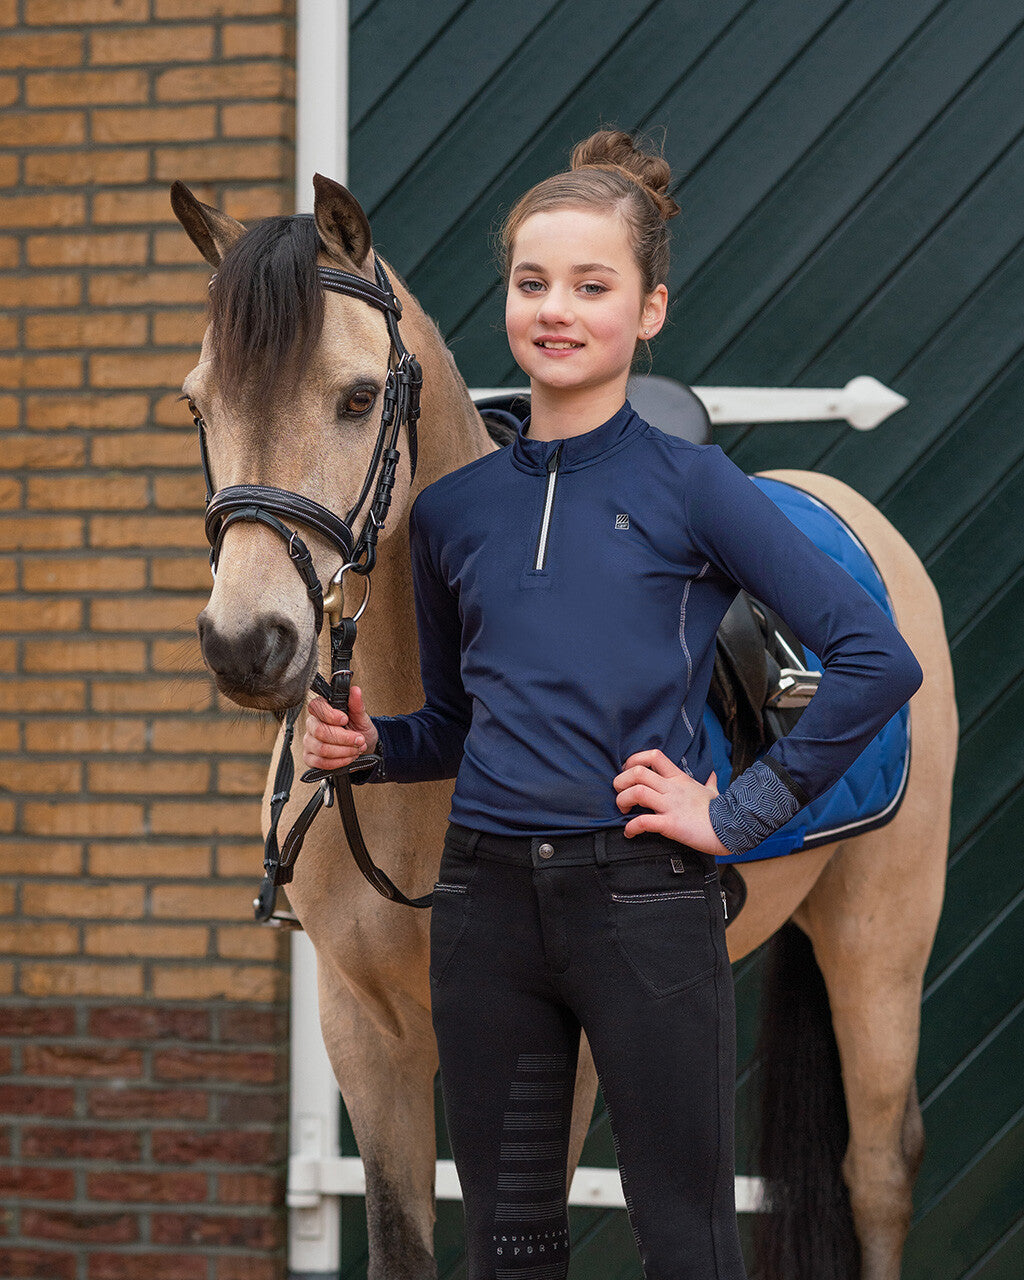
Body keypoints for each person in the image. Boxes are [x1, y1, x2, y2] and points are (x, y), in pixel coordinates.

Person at [302, 130, 923, 1280]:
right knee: (508, 1243)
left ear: (648, 312)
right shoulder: (452, 514)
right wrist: (372, 745)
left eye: (592, 286)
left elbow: (875, 660)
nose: (555, 309)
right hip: (484, 908)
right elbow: (457, 721)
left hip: (643, 906)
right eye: (531, 282)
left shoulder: (695, 486)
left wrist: (738, 811)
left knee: (685, 1241)